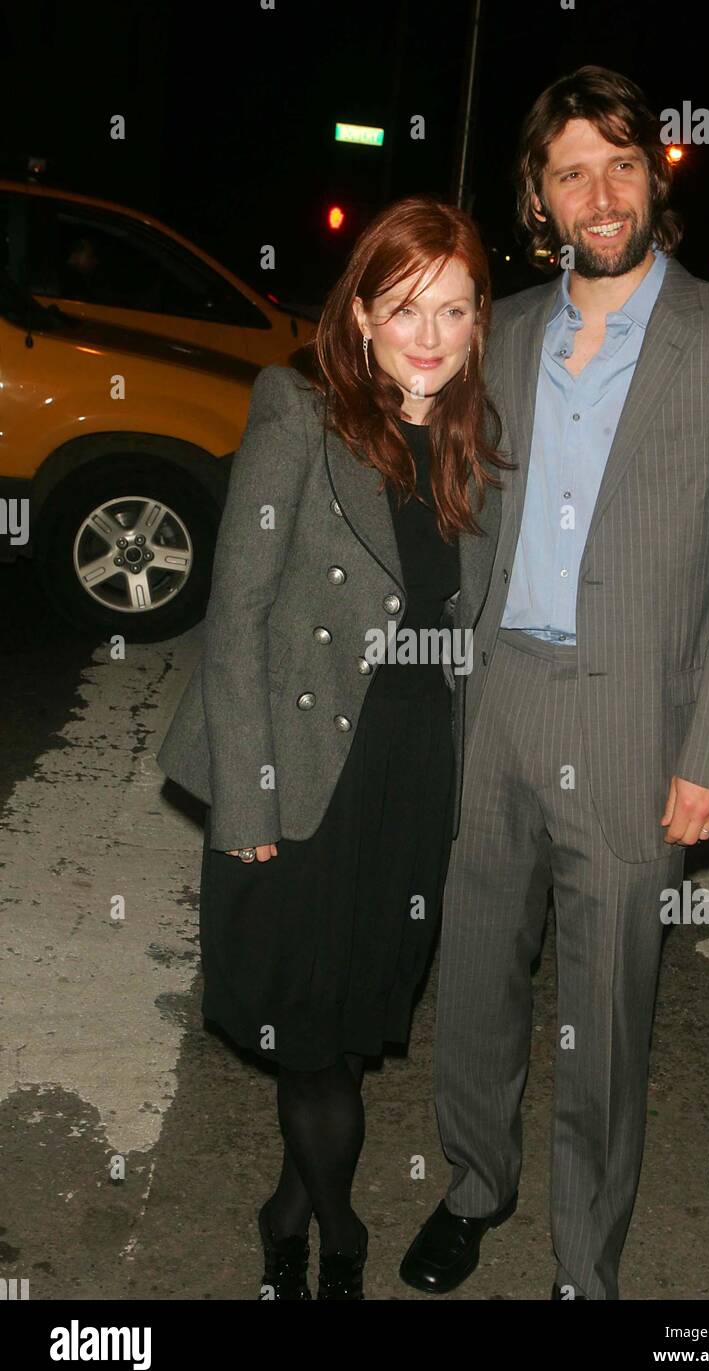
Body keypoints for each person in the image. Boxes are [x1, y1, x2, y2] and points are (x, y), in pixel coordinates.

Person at [399, 66, 709, 1301]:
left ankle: (587, 1258)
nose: (599, 190)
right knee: (471, 974)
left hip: (637, 725)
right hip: (496, 702)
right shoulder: (505, 331)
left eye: (620, 163)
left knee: (604, 1018)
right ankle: (476, 1183)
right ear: (539, 193)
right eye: (571, 168)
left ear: (653, 179)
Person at [156, 196, 511, 1300]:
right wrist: (247, 807)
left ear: (478, 323)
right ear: (359, 313)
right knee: (308, 1036)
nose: (429, 334)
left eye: (453, 309)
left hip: (412, 776)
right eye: (403, 307)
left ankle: (286, 1207)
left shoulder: (474, 446)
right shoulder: (297, 411)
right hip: (301, 773)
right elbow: (240, 615)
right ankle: (338, 1240)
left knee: (348, 1028)